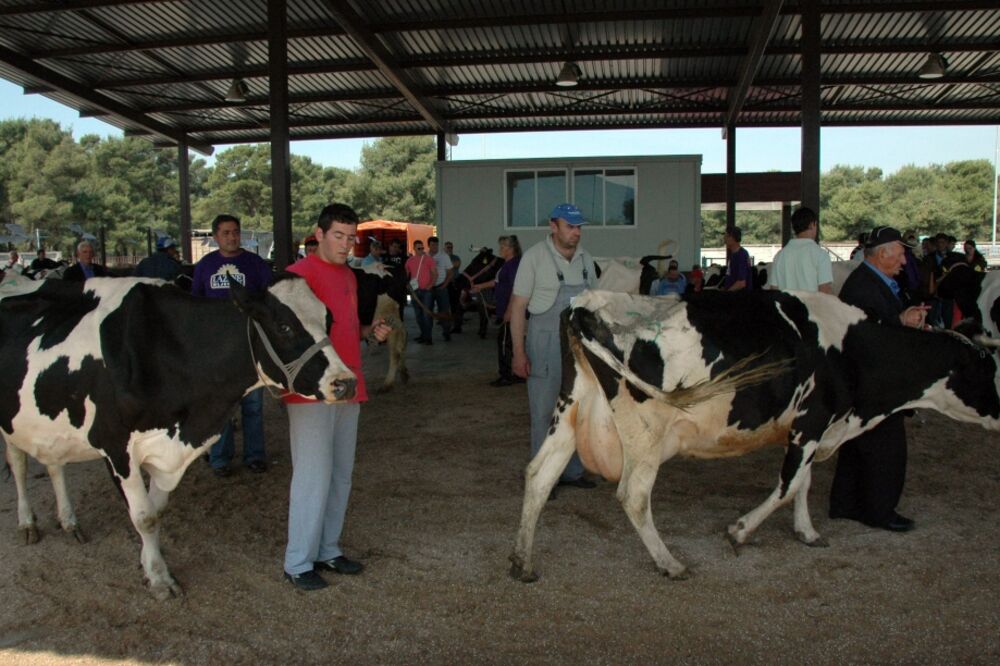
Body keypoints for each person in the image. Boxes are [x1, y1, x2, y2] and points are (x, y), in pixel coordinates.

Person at [282, 203, 392, 591]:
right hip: (311, 392)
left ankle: (328, 549)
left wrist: (368, 332)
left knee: (340, 475)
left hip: (350, 385)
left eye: (351, 237)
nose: (346, 244)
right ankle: (298, 561)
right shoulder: (296, 277)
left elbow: (346, 330)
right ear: (319, 234)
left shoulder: (349, 275)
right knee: (312, 476)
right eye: (339, 236)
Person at [829, 226, 928, 533]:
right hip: (873, 382)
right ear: (883, 253)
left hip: (863, 380)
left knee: (858, 443)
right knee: (886, 446)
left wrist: (904, 318)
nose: (903, 261)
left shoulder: (869, 281)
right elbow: (864, 334)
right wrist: (900, 321)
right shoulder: (863, 286)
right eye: (899, 254)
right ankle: (879, 511)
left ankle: (845, 504)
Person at [511, 203, 597, 490]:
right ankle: (542, 477)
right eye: (570, 226)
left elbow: (594, 305)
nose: (576, 232)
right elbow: (518, 308)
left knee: (576, 411)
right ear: (553, 226)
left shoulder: (586, 259)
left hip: (578, 346)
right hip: (544, 342)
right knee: (544, 412)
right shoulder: (534, 258)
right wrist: (519, 353)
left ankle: (571, 471)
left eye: (579, 227)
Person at [192, 214, 273, 477]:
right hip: (217, 351)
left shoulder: (255, 264)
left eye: (235, 232)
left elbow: (269, 300)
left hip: (249, 347)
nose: (232, 237)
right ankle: (219, 459)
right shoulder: (205, 266)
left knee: (253, 406)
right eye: (226, 233)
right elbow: (195, 306)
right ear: (215, 236)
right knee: (221, 408)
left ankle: (255, 456)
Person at [472, 235, 523, 387]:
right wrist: (481, 286)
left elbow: (517, 288)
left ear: (510, 249)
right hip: (507, 309)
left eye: (503, 247)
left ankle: (507, 375)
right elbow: (497, 282)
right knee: (510, 342)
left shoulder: (513, 265)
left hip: (511, 311)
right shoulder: (506, 264)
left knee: (504, 343)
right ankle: (516, 373)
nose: (500, 250)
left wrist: (509, 310)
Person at [766, 206, 833, 294]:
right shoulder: (821, 255)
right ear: (812, 224)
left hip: (786, 307)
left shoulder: (779, 256)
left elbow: (774, 290)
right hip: (812, 307)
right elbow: (825, 293)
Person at [405, 239, 437, 345]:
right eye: (418, 248)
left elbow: (434, 274)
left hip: (426, 291)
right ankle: (423, 335)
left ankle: (428, 337)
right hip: (415, 292)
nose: (421, 250)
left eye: (422, 248)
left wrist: (430, 286)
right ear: (414, 249)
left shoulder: (428, 259)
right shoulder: (410, 261)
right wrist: (408, 286)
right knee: (418, 315)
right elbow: (406, 275)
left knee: (426, 314)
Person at [427, 236, 453, 342]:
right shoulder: (425, 256)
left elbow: (450, 273)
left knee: (444, 311)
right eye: (432, 245)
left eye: (436, 245)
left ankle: (446, 332)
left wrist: (444, 285)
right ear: (428, 245)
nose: (435, 247)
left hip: (441, 287)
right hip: (428, 289)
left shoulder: (444, 256)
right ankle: (427, 335)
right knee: (428, 312)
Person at [720, 226, 752, 291]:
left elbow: (741, 283)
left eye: (726, 236)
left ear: (732, 238)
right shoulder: (733, 255)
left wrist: (727, 293)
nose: (724, 238)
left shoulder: (741, 255)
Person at [444, 241, 464, 333]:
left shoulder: (456, 257)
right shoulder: (441, 258)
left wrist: (446, 263)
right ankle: (446, 323)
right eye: (448, 247)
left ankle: (457, 326)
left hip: (455, 284)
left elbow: (457, 264)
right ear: (444, 248)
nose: (449, 249)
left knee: (455, 306)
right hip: (444, 284)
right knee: (444, 305)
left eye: (451, 247)